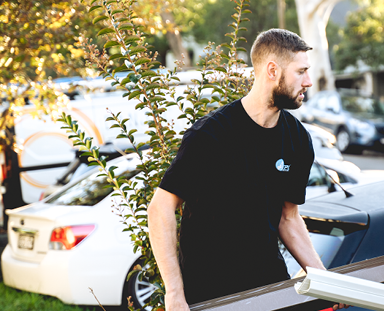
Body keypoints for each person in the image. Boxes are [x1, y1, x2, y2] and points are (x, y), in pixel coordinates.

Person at [148, 29, 346, 310]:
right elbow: (160, 208)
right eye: (301, 72)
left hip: (268, 289)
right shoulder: (211, 136)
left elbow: (288, 218)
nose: (309, 82)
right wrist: (174, 294)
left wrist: (323, 278)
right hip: (210, 294)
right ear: (273, 70)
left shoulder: (297, 139)